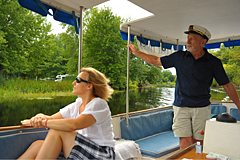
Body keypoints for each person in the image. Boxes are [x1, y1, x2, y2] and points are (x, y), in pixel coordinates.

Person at [127, 25, 240, 150]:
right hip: (181, 107)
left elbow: (227, 85)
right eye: (187, 38)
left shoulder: (214, 62)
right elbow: (156, 61)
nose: (188, 42)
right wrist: (136, 52)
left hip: (201, 108)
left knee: (199, 144)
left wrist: (239, 106)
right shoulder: (179, 57)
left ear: (203, 42)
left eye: (192, 38)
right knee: (184, 143)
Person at [18, 67, 115, 159]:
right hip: (82, 147)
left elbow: (74, 124)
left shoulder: (98, 104)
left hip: (102, 153)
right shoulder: (77, 104)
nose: (73, 83)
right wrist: (40, 116)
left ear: (89, 86)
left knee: (57, 130)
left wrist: (43, 122)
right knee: (38, 145)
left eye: (78, 80)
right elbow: (51, 119)